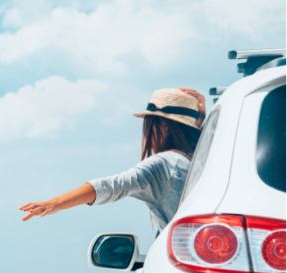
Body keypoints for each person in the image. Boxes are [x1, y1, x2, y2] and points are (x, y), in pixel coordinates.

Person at [18, 88, 207, 233]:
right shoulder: (203, 160)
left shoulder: (163, 164)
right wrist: (202, 119)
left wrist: (55, 203)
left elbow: (112, 185)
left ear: (163, 124)